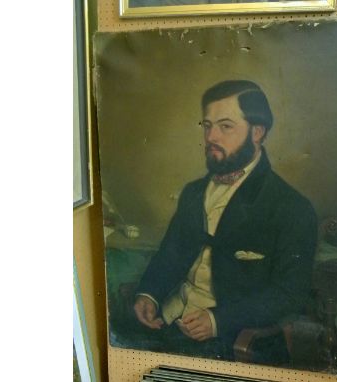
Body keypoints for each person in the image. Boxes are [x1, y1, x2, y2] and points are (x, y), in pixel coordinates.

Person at [133, 80, 318, 361]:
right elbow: (169, 254)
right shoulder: (194, 192)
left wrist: (218, 320)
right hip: (166, 322)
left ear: (257, 132)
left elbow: (290, 294)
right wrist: (149, 294)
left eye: (225, 126)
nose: (211, 137)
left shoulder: (291, 207)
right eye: (207, 126)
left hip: (231, 342)